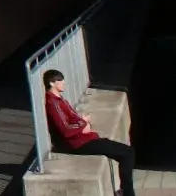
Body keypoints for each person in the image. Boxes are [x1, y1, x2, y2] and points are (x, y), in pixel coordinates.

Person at [43, 68, 134, 196]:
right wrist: (83, 125)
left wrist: (82, 121)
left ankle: (125, 191)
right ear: (52, 83)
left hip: (84, 138)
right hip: (79, 143)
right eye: (60, 80)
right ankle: (127, 193)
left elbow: (72, 118)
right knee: (127, 153)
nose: (63, 82)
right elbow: (65, 129)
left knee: (125, 152)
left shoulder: (59, 100)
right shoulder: (53, 103)